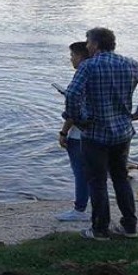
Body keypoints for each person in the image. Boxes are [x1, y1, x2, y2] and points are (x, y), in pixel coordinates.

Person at [65, 27, 138, 240]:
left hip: (95, 134)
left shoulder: (88, 66)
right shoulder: (130, 64)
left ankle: (100, 229)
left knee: (97, 181)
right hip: (122, 133)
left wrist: (78, 118)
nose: (87, 45)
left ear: (96, 44)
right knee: (121, 179)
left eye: (88, 42)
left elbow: (72, 94)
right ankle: (129, 226)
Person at [56, 41, 91, 222]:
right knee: (94, 173)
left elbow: (73, 108)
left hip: (79, 134)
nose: (71, 59)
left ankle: (79, 209)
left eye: (72, 56)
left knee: (80, 172)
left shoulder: (81, 76)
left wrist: (63, 132)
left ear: (80, 56)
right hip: (98, 133)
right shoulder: (100, 74)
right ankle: (95, 208)